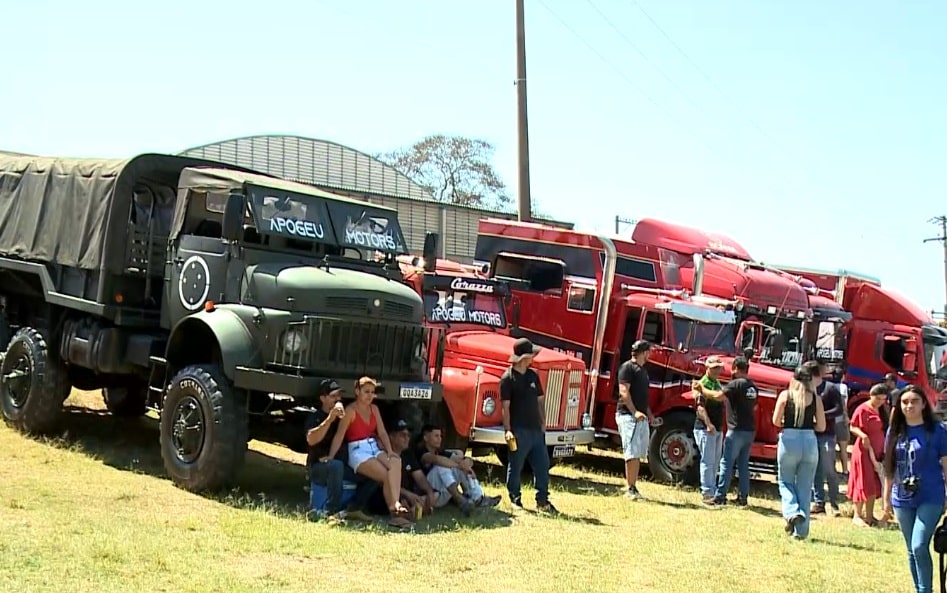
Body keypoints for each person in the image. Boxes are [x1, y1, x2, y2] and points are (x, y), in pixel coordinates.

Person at [882, 385, 947, 593]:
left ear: (923, 404)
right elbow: (889, 467)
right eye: (904, 402)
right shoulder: (894, 431)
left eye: (914, 401)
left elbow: (946, 466)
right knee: (911, 549)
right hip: (901, 497)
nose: (909, 405)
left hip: (931, 495)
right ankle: (920, 589)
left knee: (920, 545)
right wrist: (885, 498)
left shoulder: (938, 431)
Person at [325, 376, 412, 529]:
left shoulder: (375, 409)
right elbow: (339, 436)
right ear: (357, 391)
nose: (370, 395)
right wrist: (331, 457)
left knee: (396, 461)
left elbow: (383, 432)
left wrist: (390, 451)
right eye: (366, 392)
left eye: (372, 392)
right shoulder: (350, 411)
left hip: (373, 446)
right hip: (358, 450)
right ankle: (394, 511)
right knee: (384, 475)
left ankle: (396, 504)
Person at [304, 378, 378, 523]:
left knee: (375, 474)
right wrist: (330, 419)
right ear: (323, 398)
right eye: (333, 396)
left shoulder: (344, 416)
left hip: (343, 466)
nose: (338, 399)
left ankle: (354, 508)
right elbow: (311, 440)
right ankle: (331, 511)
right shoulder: (315, 417)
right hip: (319, 467)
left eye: (339, 396)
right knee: (335, 465)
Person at [500, 337, 558, 513]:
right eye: (531, 354)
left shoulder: (533, 376)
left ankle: (543, 501)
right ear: (524, 357)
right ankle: (515, 500)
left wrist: (543, 423)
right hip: (519, 430)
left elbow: (540, 401)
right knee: (516, 465)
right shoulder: (508, 378)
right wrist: (508, 430)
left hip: (536, 430)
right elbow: (505, 407)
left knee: (542, 465)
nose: (533, 357)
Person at [772, 365, 825, 539]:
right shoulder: (815, 399)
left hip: (789, 440)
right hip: (809, 441)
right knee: (804, 486)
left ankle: (791, 511)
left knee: (785, 481)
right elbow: (822, 426)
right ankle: (801, 532)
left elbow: (776, 421)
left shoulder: (785, 396)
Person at [416, 424, 501, 513]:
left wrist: (465, 464)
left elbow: (461, 459)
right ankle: (460, 500)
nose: (439, 439)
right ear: (426, 438)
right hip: (432, 494)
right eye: (436, 436)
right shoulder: (422, 452)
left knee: (461, 467)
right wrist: (458, 465)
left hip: (445, 493)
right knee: (442, 467)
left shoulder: (440, 451)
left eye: (440, 436)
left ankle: (477, 498)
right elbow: (436, 460)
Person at [713, 356, 758, 506]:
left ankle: (720, 496)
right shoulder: (753, 387)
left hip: (736, 429)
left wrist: (703, 390)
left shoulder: (735, 384)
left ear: (736, 369)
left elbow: (718, 397)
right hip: (749, 430)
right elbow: (755, 407)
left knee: (726, 463)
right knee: (743, 465)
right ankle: (743, 497)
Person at [616, 340, 653, 501]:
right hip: (628, 416)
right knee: (630, 452)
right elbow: (624, 392)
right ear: (643, 352)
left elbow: (643, 397)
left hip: (640, 417)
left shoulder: (643, 371)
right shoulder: (627, 368)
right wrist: (634, 412)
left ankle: (634, 486)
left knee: (637, 452)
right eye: (648, 351)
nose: (650, 355)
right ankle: (629, 488)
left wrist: (649, 415)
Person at [847, 383, 888, 527]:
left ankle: (870, 516)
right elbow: (853, 426)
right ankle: (857, 515)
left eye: (883, 399)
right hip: (864, 450)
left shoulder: (882, 409)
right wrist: (863, 435)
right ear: (871, 395)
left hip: (878, 451)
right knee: (863, 480)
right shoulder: (862, 409)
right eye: (878, 399)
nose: (880, 402)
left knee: (874, 482)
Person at [808, 361, 842, 517]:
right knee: (815, 469)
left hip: (827, 434)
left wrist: (821, 416)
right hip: (812, 434)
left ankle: (834, 503)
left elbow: (838, 409)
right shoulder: (807, 389)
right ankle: (819, 502)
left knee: (829, 469)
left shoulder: (830, 388)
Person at [692, 355, 726, 505]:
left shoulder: (717, 383)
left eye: (719, 367)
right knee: (707, 461)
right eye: (714, 368)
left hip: (717, 427)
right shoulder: (702, 383)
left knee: (715, 461)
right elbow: (700, 407)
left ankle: (713, 491)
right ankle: (707, 492)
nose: (717, 371)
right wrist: (708, 424)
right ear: (707, 368)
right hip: (706, 428)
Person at [388, 419, 439, 518]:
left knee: (435, 494)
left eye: (408, 435)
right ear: (392, 437)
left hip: (410, 494)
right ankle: (408, 510)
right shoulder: (385, 455)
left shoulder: (408, 454)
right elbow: (384, 484)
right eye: (403, 435)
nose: (407, 438)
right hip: (391, 494)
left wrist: (429, 492)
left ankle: (415, 507)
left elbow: (420, 477)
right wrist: (407, 494)